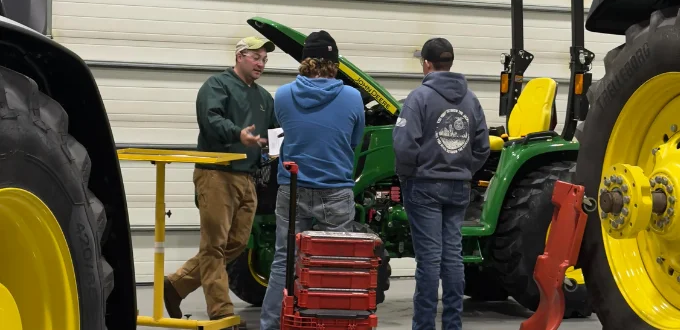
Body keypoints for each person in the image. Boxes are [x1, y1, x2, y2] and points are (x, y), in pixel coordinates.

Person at [163, 36, 279, 329]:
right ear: (240, 55)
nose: (261, 64)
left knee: (237, 243)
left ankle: (175, 285)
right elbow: (209, 119)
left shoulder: (265, 98)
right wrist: (238, 134)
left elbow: (276, 132)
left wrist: (278, 154)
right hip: (216, 175)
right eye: (256, 57)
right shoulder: (217, 86)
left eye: (265, 59)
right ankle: (222, 313)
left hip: (248, 178)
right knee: (214, 245)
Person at [259, 30, 366, 330]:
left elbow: (285, 132)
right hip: (336, 190)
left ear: (304, 60)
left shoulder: (282, 95)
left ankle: (271, 325)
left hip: (292, 188)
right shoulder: (352, 96)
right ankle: (330, 324)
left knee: (284, 260)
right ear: (334, 63)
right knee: (334, 264)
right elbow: (355, 140)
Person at [392, 37, 490, 330]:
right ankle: (452, 325)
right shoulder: (471, 100)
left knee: (429, 260)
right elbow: (482, 146)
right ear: (450, 62)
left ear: (426, 63)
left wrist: (409, 174)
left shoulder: (418, 98)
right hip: (458, 187)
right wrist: (462, 169)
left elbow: (404, 145)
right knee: (452, 257)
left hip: (423, 186)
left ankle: (423, 326)